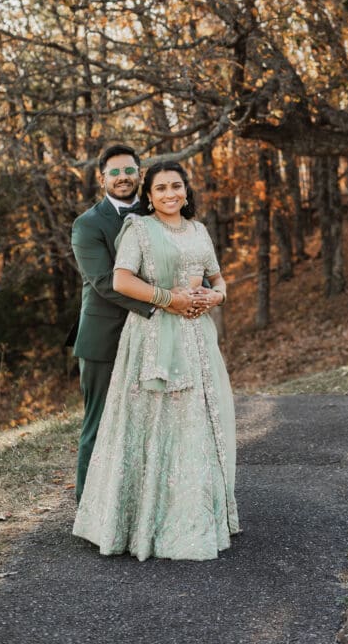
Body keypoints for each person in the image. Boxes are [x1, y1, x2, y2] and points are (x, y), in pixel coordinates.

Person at [72, 160, 239, 561]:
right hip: (151, 334)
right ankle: (139, 519)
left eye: (176, 186)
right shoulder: (139, 229)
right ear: (148, 195)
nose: (169, 194)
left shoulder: (199, 230)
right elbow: (121, 280)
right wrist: (170, 300)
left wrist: (214, 297)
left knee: (193, 424)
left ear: (186, 191)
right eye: (161, 188)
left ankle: (193, 516)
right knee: (150, 423)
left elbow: (218, 279)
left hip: (197, 338)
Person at [70, 143, 181, 502]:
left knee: (147, 421)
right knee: (100, 423)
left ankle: (133, 504)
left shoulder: (158, 216)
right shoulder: (88, 225)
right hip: (105, 337)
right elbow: (103, 283)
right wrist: (162, 304)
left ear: (139, 173)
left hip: (153, 335)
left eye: (129, 170)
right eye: (114, 172)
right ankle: (87, 505)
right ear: (102, 178)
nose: (123, 177)